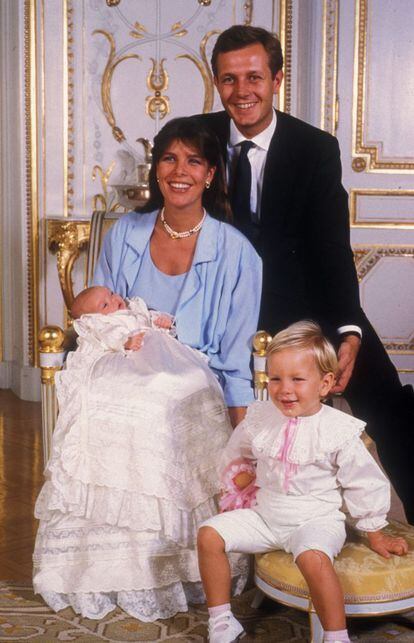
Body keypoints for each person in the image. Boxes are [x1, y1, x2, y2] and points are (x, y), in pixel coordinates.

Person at [33, 117, 262, 622]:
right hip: (123, 358)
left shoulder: (236, 253)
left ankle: (164, 564)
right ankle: (97, 567)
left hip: (194, 370)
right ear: (156, 169)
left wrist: (241, 436)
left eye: (193, 161)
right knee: (101, 397)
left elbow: (235, 354)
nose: (179, 171)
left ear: (211, 174)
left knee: (160, 394)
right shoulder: (126, 234)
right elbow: (99, 315)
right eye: (169, 158)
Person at [196, 25, 414, 523]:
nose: (241, 91)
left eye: (254, 77)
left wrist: (349, 330)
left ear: (277, 79)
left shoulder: (315, 147)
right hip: (221, 305)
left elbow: (331, 248)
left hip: (304, 304)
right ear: (216, 83)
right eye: (228, 79)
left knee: (385, 397)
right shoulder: (197, 137)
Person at [197, 321, 409, 643]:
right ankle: (222, 619)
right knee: (209, 534)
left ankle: (336, 636)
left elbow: (364, 481)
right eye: (276, 378)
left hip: (315, 519)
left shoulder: (336, 430)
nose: (284, 389)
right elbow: (237, 451)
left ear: (325, 384)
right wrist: (240, 475)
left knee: (314, 559)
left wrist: (374, 531)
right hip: (266, 517)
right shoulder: (261, 417)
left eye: (297, 379)